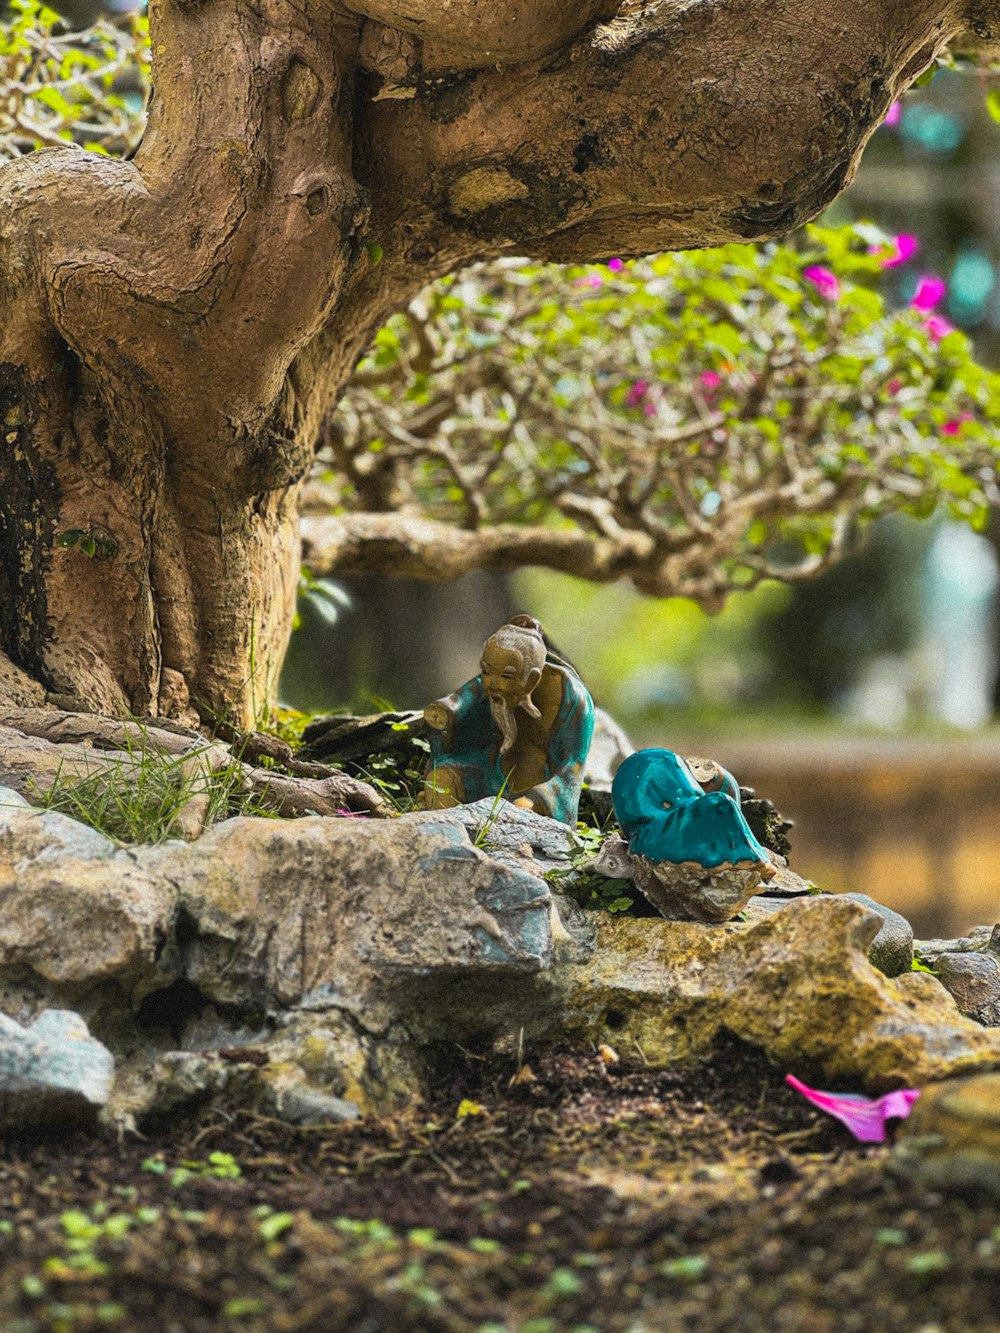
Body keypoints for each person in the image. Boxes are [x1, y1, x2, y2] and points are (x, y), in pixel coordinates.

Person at [421, 615, 594, 826]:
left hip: (536, 792)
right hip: (489, 772)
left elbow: (571, 767)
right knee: (440, 780)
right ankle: (446, 834)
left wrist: (537, 800)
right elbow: (458, 702)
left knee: (519, 813)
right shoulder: (489, 688)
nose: (491, 684)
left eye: (506, 676)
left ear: (531, 678)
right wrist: (445, 712)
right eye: (486, 671)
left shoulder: (573, 701)